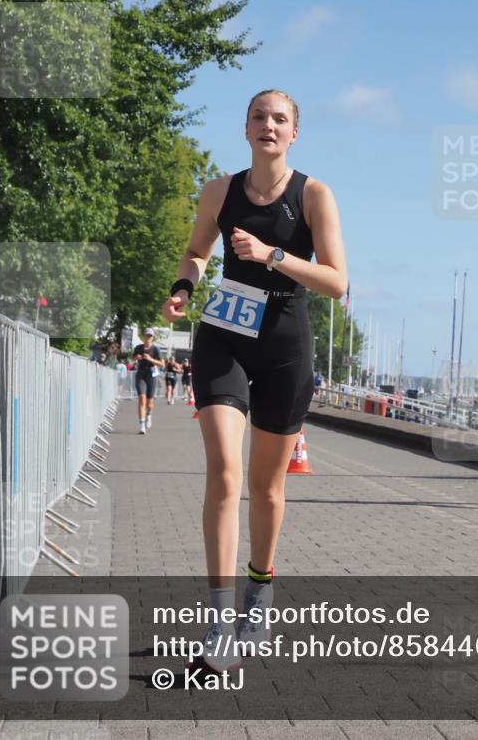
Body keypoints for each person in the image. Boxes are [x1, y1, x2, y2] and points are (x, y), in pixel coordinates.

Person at [161, 89, 347, 673]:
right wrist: (184, 289)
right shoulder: (219, 190)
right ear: (245, 129)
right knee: (224, 469)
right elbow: (196, 252)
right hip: (223, 337)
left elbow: (337, 281)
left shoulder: (313, 194)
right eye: (259, 117)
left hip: (286, 348)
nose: (269, 125)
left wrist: (272, 256)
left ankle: (258, 595)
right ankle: (218, 621)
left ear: (296, 132)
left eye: (280, 119)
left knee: (266, 489)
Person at [133, 328, 165, 434]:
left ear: (153, 337)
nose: (148, 338)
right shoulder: (138, 347)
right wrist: (136, 357)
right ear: (144, 336)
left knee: (149, 402)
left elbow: (162, 364)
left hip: (152, 375)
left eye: (150, 336)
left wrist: (150, 359)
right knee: (142, 399)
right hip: (141, 374)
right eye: (147, 335)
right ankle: (142, 426)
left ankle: (149, 414)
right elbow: (132, 358)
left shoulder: (155, 349)